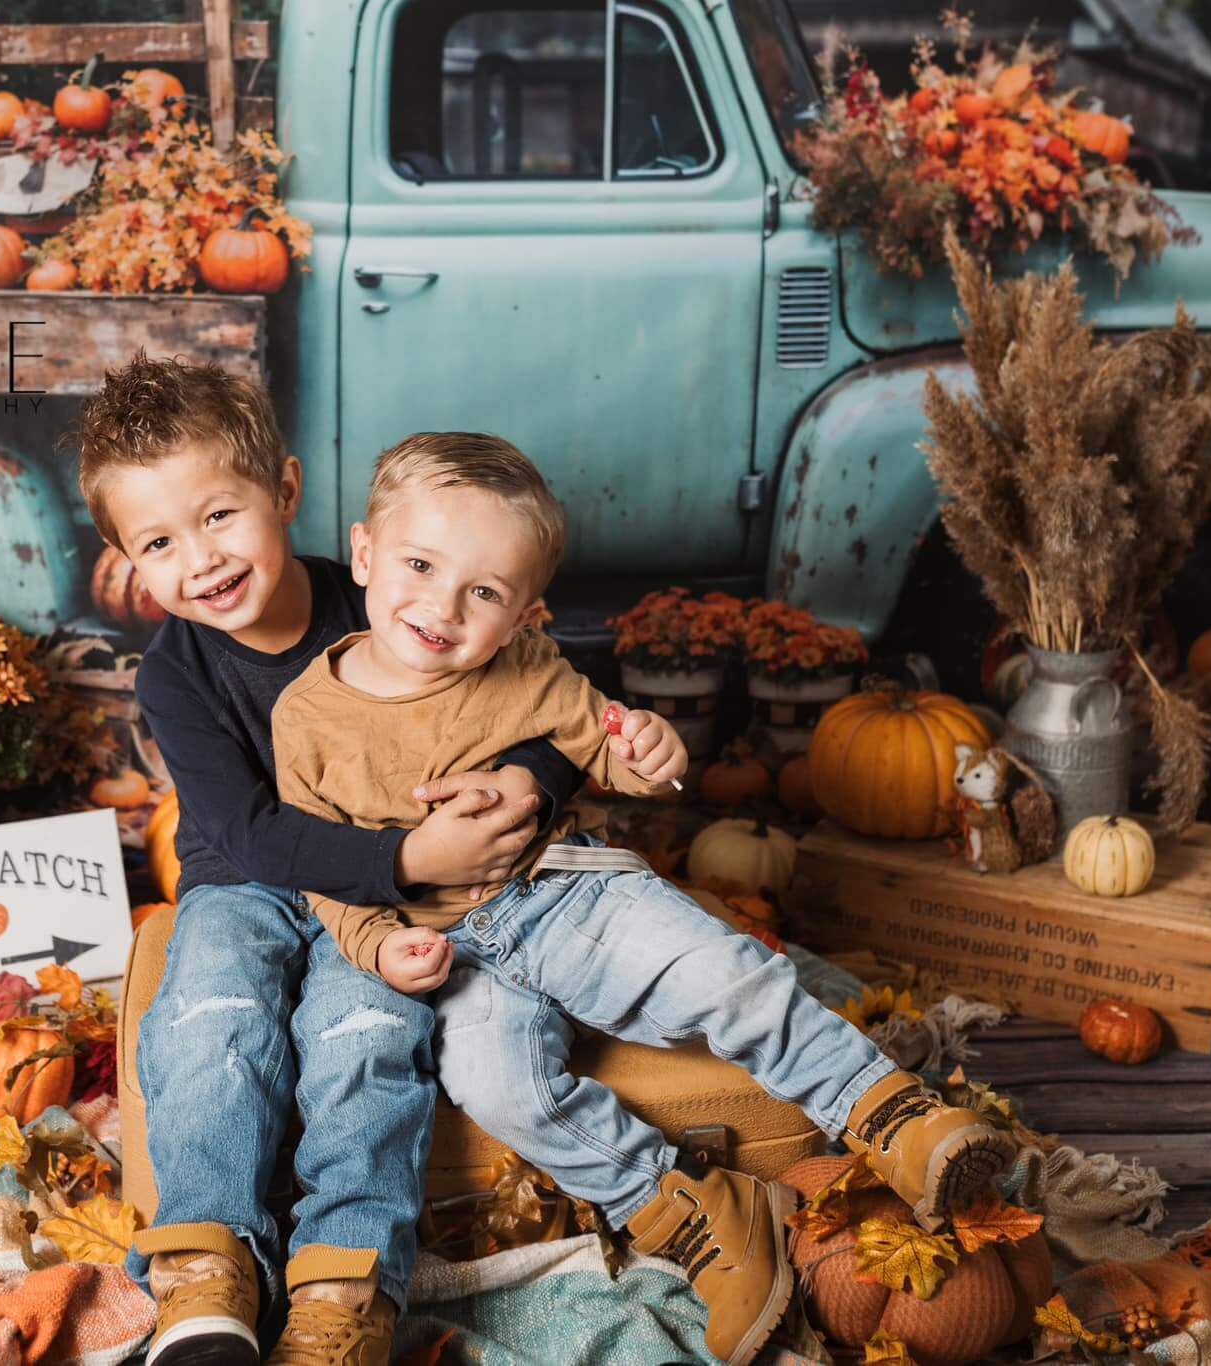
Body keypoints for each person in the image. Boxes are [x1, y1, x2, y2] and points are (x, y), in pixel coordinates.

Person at [270, 432, 1016, 1365]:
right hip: (453, 956)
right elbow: (324, 863)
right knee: (499, 1088)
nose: (444, 607)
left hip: (560, 896)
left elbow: (602, 745)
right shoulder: (305, 717)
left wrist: (647, 751)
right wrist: (378, 944)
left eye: (485, 593)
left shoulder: (528, 666)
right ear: (366, 552)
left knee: (722, 973)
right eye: (419, 565)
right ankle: (696, 1212)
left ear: (524, 611)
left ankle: (890, 1112)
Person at [77, 358, 584, 1366]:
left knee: (364, 1034)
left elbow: (541, 704)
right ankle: (207, 1263)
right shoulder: (175, 673)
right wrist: (405, 854)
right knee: (211, 1014)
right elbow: (250, 830)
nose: (202, 559)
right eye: (159, 542)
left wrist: (532, 781)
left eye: (221, 515)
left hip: (394, 901)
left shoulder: (393, 601)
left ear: (289, 492)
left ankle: (341, 1289)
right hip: (250, 881)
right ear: (124, 557)